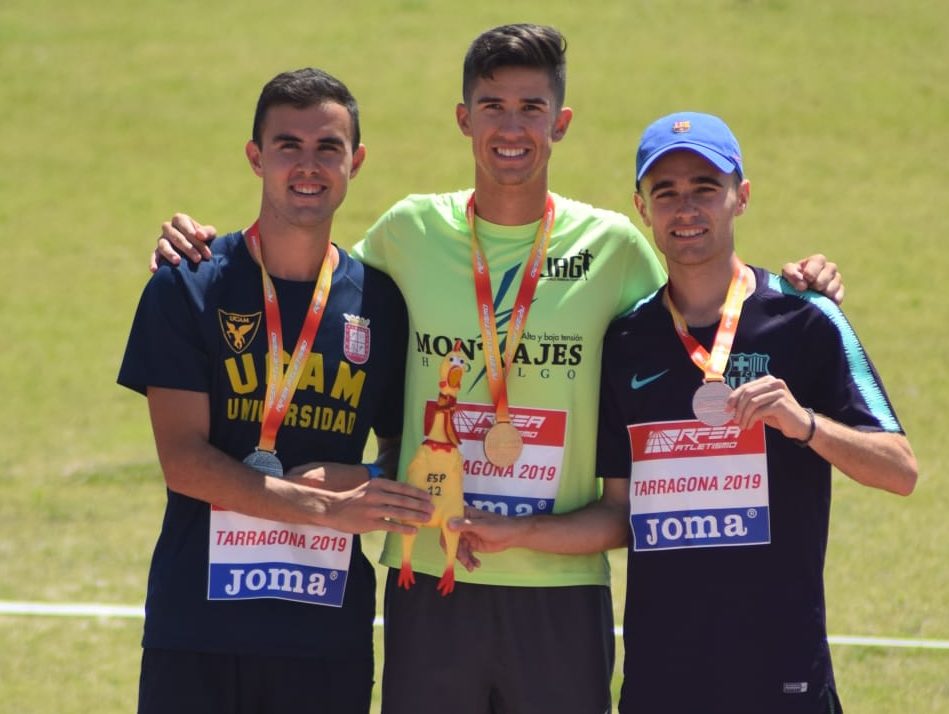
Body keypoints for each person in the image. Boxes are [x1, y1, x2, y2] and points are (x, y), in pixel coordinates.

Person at [149, 27, 845, 714]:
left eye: (531, 108)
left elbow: (704, 287)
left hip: (560, 586)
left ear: (561, 122)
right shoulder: (407, 233)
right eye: (492, 106)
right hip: (430, 574)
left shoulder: (612, 247)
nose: (511, 128)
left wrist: (800, 281)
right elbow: (307, 285)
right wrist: (205, 251)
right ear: (463, 118)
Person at [117, 68, 435, 714]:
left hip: (325, 640)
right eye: (287, 145)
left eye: (328, 148)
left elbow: (410, 464)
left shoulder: (382, 305)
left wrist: (361, 473)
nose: (307, 167)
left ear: (357, 161)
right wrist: (324, 507)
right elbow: (183, 462)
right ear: (256, 157)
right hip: (198, 631)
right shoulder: (188, 285)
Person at [590, 112, 915, 712]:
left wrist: (806, 425)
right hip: (663, 678)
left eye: (705, 189)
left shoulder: (807, 317)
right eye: (666, 193)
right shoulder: (626, 340)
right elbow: (619, 511)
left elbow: (900, 470)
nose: (686, 208)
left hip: (783, 673)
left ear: (742, 196)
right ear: (642, 207)